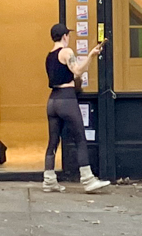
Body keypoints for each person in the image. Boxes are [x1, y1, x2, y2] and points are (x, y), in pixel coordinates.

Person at [43, 23, 108, 193]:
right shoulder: (67, 52)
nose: (69, 38)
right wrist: (91, 55)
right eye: (68, 35)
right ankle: (88, 179)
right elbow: (78, 71)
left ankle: (49, 180)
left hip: (52, 101)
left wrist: (89, 57)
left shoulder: (49, 56)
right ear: (64, 36)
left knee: (53, 141)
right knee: (80, 138)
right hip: (67, 99)